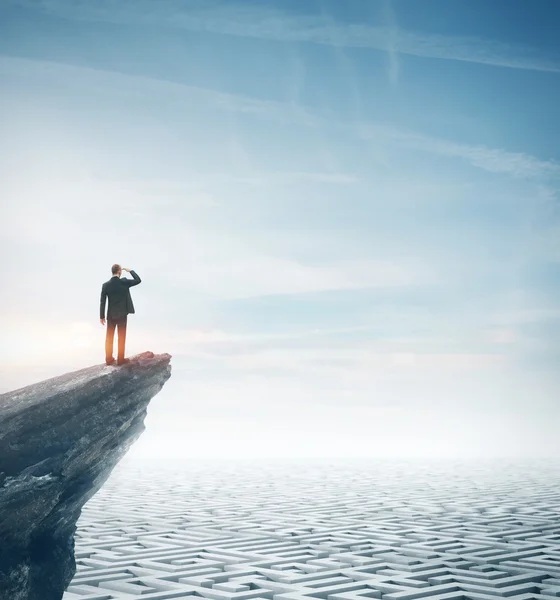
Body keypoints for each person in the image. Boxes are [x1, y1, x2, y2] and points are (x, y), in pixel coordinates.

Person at [100, 264, 142, 366]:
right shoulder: (124, 282)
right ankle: (120, 359)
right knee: (121, 337)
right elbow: (138, 280)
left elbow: (103, 302)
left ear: (112, 271)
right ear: (119, 271)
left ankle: (109, 359)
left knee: (109, 337)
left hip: (110, 315)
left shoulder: (106, 285)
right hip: (122, 314)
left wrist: (102, 316)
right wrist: (130, 270)